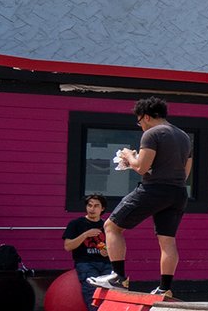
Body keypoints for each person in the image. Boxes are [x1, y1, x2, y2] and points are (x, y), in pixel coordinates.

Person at [89, 97, 193, 300]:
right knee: (167, 241)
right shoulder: (183, 136)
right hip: (178, 192)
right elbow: (185, 172)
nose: (140, 126)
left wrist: (129, 156)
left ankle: (118, 277)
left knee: (111, 226)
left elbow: (141, 167)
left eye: (139, 122)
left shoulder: (152, 133)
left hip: (154, 189)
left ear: (146, 116)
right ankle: (165, 288)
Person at [62, 192, 111, 299]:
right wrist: (85, 235)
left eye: (96, 206)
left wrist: (107, 251)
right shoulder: (76, 224)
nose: (92, 209)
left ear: (102, 208)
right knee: (91, 290)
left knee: (111, 291)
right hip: (86, 263)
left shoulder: (107, 225)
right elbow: (67, 246)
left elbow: (114, 246)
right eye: (89, 205)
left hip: (106, 263)